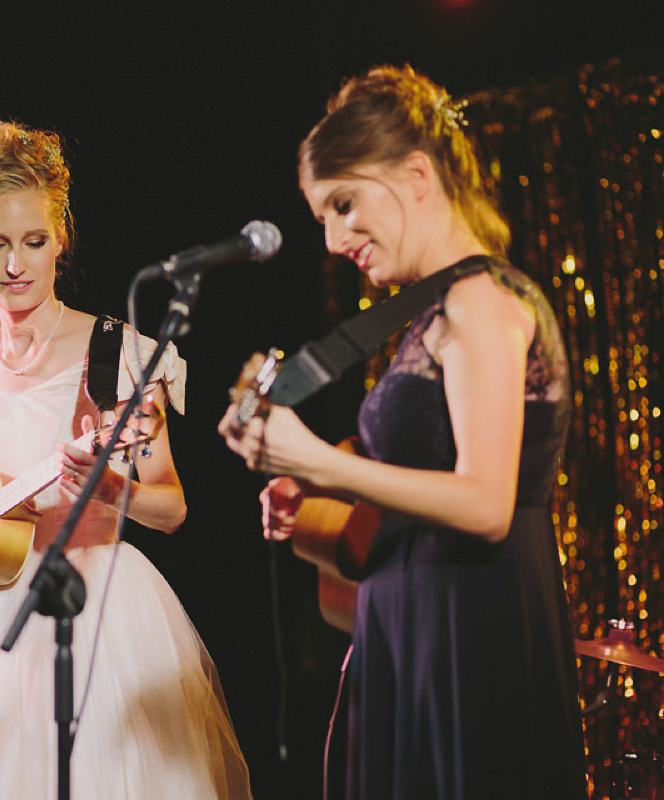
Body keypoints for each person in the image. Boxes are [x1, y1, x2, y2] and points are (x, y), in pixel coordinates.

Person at [0, 121, 252, 799]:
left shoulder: (117, 354)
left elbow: (171, 506)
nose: (15, 265)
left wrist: (109, 485)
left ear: (61, 238)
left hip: (92, 615)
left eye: (33, 242)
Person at [220, 65, 587, 799]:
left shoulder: (483, 302)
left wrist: (326, 460)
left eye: (344, 204)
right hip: (413, 615)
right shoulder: (431, 312)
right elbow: (426, 472)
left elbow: (486, 504)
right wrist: (314, 481)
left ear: (417, 175)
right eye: (323, 214)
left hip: (467, 622)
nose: (332, 238)